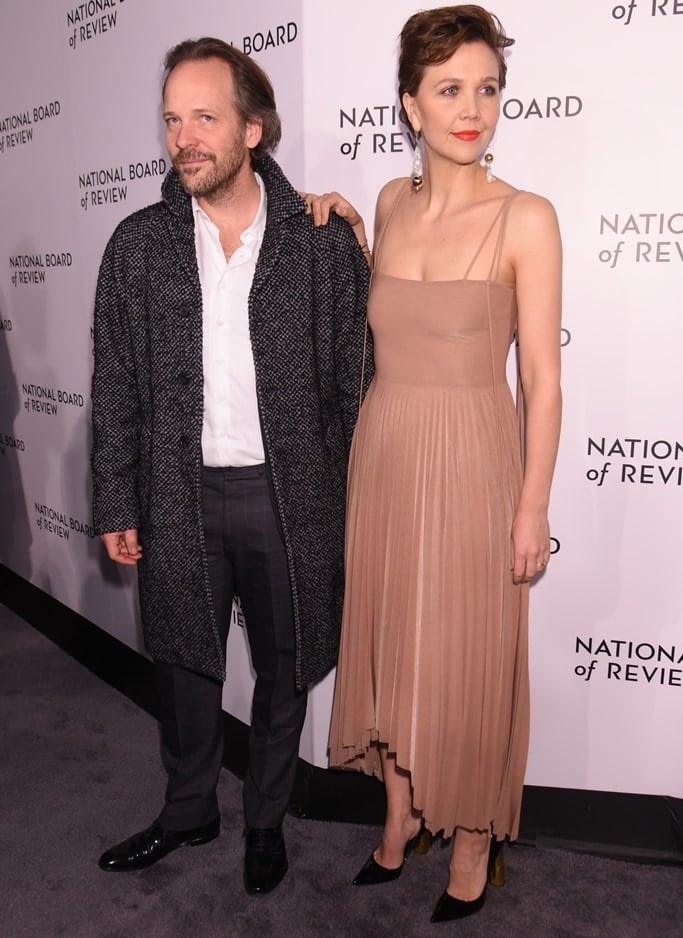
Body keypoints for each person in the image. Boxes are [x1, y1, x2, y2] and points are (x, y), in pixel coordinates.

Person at [90, 37, 370, 895]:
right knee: (182, 665)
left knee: (286, 667)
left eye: (204, 118)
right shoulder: (136, 245)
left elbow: (356, 386)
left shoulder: (320, 241)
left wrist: (356, 504)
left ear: (254, 129)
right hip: (177, 494)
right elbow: (116, 384)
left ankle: (265, 822)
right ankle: (188, 812)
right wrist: (114, 499)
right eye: (173, 120)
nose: (185, 138)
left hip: (290, 497)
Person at [305, 4, 561, 923]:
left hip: (475, 457)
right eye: (450, 89)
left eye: (487, 89)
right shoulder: (385, 202)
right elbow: (393, 312)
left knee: (468, 652)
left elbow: (541, 376)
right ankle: (401, 814)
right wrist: (341, 226)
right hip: (386, 450)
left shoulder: (526, 216)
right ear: (410, 105)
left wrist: (532, 505)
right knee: (395, 639)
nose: (473, 109)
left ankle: (473, 839)